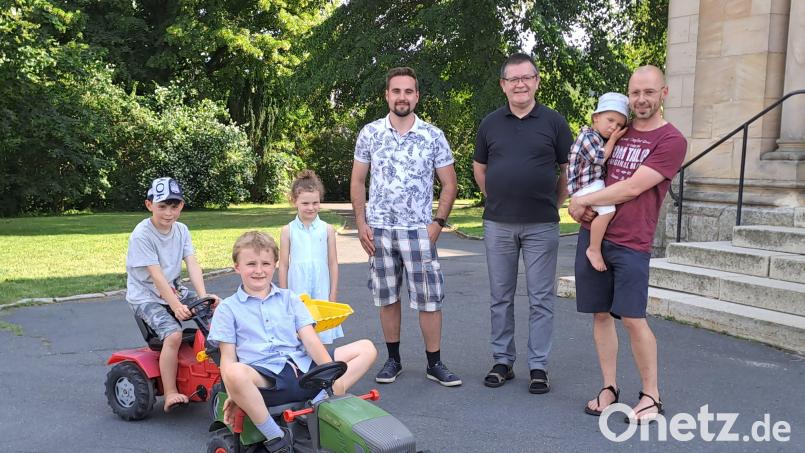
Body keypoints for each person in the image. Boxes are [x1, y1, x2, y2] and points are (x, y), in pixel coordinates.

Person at [568, 65, 686, 424]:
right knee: (600, 315)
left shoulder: (671, 140)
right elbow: (587, 165)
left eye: (649, 92)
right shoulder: (618, 128)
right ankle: (609, 388)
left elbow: (634, 187)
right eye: (635, 92)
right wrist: (578, 202)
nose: (641, 99)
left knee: (633, 319)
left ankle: (651, 396)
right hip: (595, 237)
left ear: (663, 93)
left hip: (632, 242)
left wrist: (583, 201)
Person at [208, 231, 377, 453]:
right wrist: (233, 393)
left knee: (366, 348)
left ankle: (326, 395)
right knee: (233, 372)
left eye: (265, 263)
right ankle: (276, 437)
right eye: (251, 264)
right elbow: (228, 358)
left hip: (304, 371)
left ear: (275, 265)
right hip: (268, 378)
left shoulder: (290, 299)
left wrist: (328, 373)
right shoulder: (228, 309)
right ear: (237, 266)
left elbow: (310, 339)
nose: (259, 270)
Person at [350, 66, 461, 387]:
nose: (402, 97)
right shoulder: (370, 133)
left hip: (419, 231)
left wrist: (438, 223)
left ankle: (434, 363)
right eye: (396, 91)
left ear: (417, 96)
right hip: (380, 230)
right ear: (387, 95)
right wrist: (361, 222)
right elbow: (358, 180)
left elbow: (449, 184)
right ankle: (393, 360)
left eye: (408, 91)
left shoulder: (433, 135)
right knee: (386, 297)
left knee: (429, 299)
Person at [473, 53, 572, 394]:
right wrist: (495, 197)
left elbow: (566, 170)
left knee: (541, 298)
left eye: (526, 77)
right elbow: (480, 168)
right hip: (498, 224)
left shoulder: (555, 122)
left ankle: (538, 366)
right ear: (503, 85)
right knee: (501, 296)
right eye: (513, 79)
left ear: (537, 81)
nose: (520, 84)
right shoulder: (490, 124)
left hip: (541, 224)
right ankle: (503, 360)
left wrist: (554, 204)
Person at [125, 176, 218, 412]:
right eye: (162, 206)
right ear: (149, 205)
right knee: (174, 335)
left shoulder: (182, 230)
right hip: (146, 296)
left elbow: (193, 263)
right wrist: (176, 306)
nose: (168, 213)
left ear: (181, 206)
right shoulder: (142, 235)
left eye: (174, 206)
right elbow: (156, 276)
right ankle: (170, 392)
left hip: (175, 289)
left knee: (221, 313)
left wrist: (204, 296)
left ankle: (224, 367)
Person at [278, 169, 343, 344]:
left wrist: (333, 293)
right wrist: (284, 294)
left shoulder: (327, 229)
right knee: (300, 329)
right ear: (295, 202)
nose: (311, 207)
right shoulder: (287, 231)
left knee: (321, 328)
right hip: (297, 286)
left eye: (315, 202)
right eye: (305, 203)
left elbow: (333, 263)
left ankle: (320, 366)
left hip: (321, 285)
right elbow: (283, 265)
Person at [567, 92, 630, 272]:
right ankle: (593, 249)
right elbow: (600, 158)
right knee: (608, 210)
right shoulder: (587, 136)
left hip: (590, 184)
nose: (614, 127)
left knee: (606, 209)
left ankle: (594, 247)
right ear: (596, 118)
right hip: (584, 185)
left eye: (619, 125)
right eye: (610, 120)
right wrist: (614, 140)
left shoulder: (596, 137)